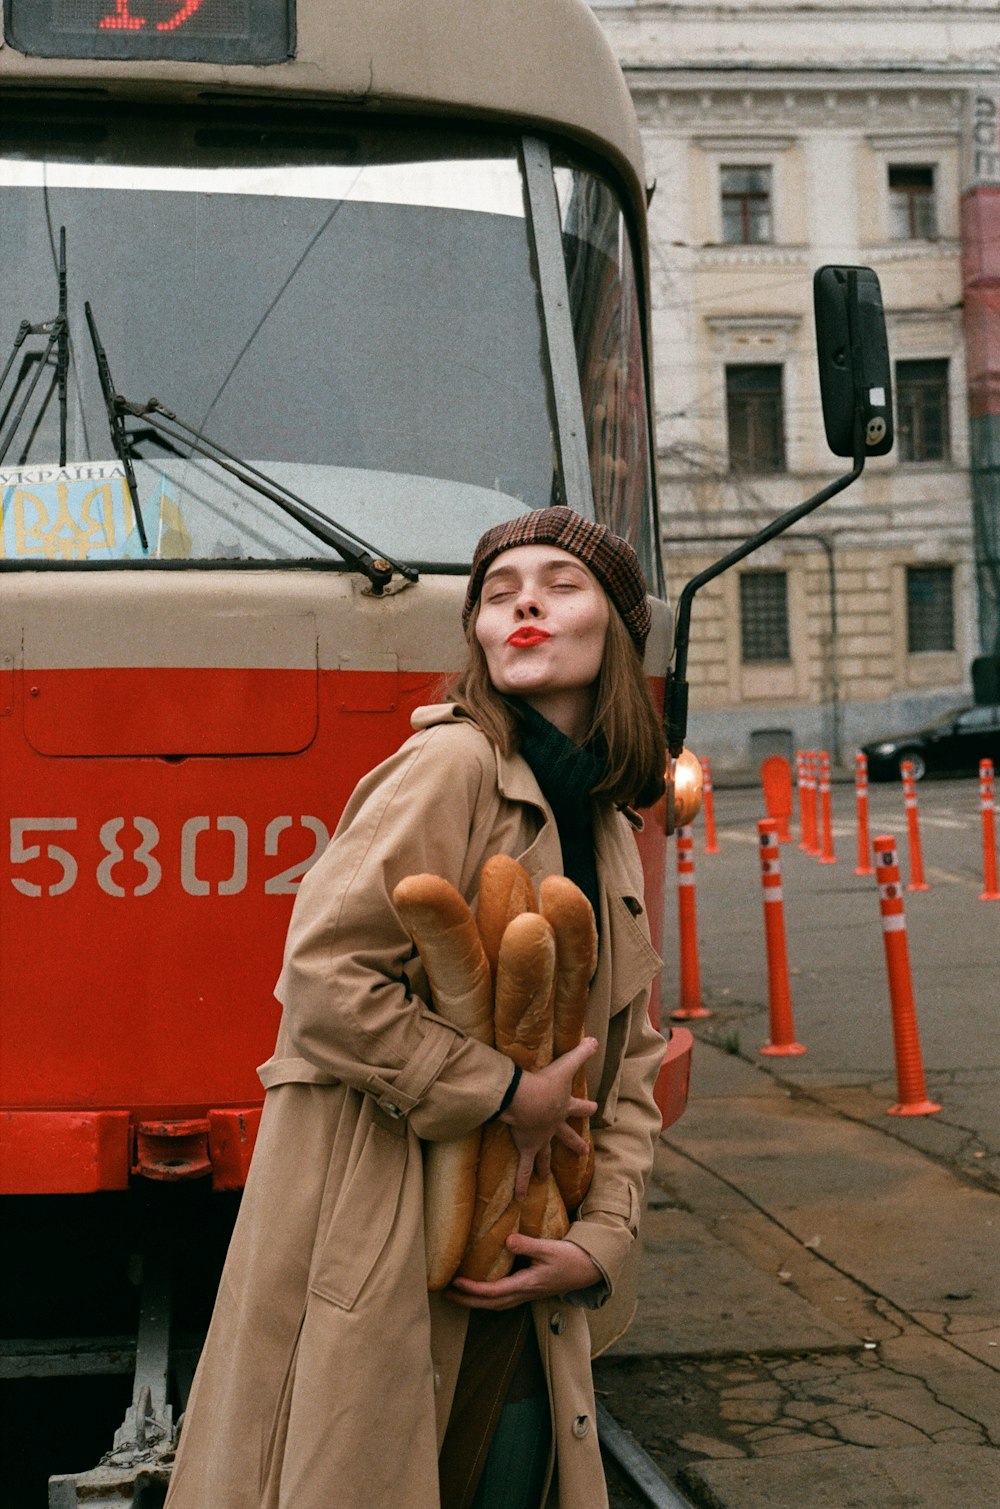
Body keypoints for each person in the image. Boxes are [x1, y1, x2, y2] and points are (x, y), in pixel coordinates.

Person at [164, 506, 668, 1509]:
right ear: (479, 635)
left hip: (525, 1254)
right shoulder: (451, 767)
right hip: (386, 1227)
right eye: (496, 591)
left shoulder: (605, 815)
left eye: (560, 586)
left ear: (616, 630)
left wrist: (599, 1241)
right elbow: (324, 979)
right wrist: (499, 1091)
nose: (522, 601)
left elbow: (631, 1064)